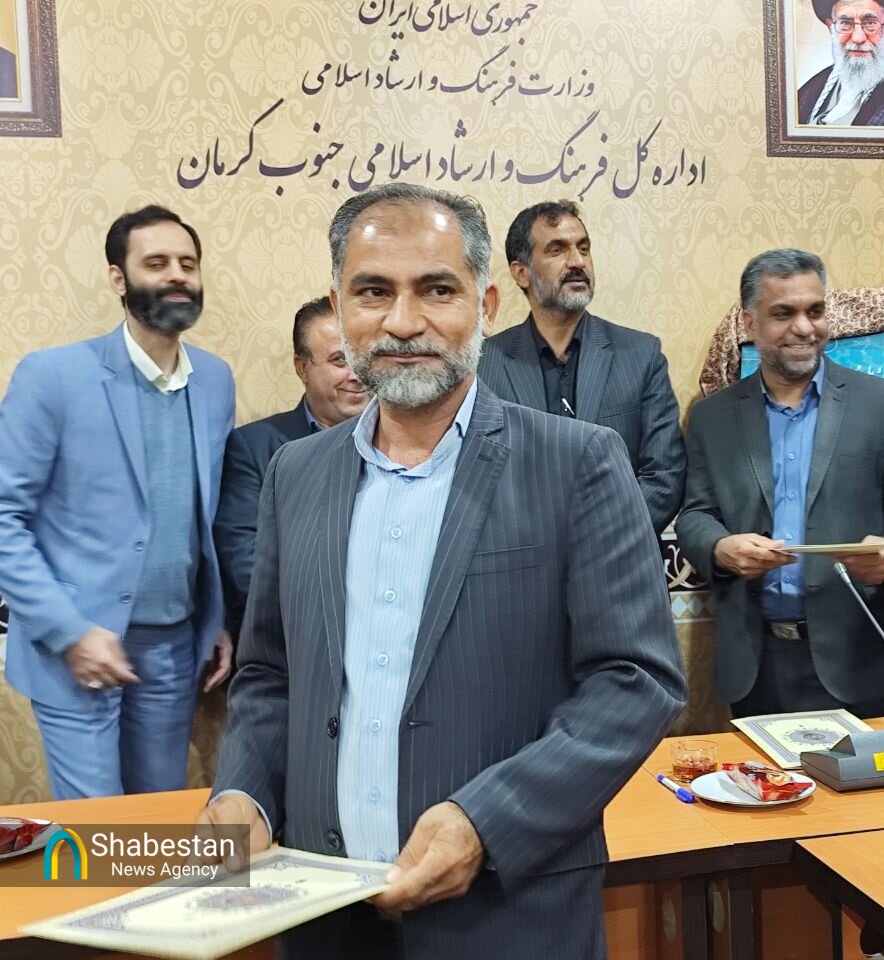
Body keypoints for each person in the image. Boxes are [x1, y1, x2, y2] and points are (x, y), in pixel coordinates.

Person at [199, 184, 686, 956]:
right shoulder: (295, 473)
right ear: (340, 307)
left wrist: (485, 822)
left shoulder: (579, 463)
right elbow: (270, 675)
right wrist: (244, 795)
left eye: (436, 289)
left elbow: (636, 682)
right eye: (373, 292)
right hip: (326, 923)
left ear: (485, 304)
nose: (402, 321)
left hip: (507, 917)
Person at [0, 205, 234, 799]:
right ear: (118, 278)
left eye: (188, 263)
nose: (176, 274)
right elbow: (4, 517)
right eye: (156, 263)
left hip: (174, 647)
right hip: (75, 647)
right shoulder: (52, 376)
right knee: (97, 834)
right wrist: (68, 631)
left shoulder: (215, 380)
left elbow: (202, 516)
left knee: (153, 821)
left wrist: (216, 619)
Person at [677, 248, 884, 718]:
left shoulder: (881, 404)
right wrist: (720, 548)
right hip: (754, 664)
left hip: (855, 659)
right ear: (750, 322)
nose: (804, 328)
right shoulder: (712, 417)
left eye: (815, 311)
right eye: (784, 314)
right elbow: (695, 514)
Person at [477, 200, 685, 533]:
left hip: (620, 552)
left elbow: (664, 478)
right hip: (521, 555)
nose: (577, 262)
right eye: (557, 250)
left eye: (583, 248)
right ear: (521, 272)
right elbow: (477, 480)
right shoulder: (484, 365)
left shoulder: (641, 355)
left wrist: (600, 543)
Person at [214, 297, 366, 639]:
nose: (356, 375)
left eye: (362, 358)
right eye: (340, 360)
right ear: (302, 368)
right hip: (288, 644)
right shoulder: (254, 447)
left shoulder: (402, 447)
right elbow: (247, 567)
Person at [797, 0, 884, 127]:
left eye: (870, 23)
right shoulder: (811, 88)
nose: (858, 38)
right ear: (832, 27)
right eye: (845, 23)